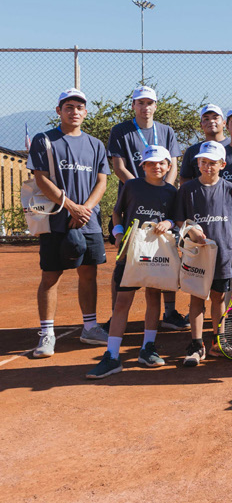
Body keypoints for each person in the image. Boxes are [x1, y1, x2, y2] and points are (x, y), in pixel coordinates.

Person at [30, 88, 110, 358]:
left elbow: (102, 181)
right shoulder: (44, 140)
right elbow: (41, 178)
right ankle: (47, 333)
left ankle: (90, 328)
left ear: (85, 112)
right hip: (56, 221)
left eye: (79, 107)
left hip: (88, 221)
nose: (74, 111)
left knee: (88, 273)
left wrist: (84, 210)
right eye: (68, 107)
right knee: (50, 276)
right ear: (59, 111)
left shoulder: (96, 144)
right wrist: (71, 207)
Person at [86, 145, 177, 378]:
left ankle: (148, 348)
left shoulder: (172, 191)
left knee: (153, 296)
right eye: (151, 163)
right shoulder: (132, 186)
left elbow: (176, 218)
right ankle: (112, 355)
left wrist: (168, 223)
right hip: (130, 251)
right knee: (122, 302)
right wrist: (118, 234)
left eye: (161, 163)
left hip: (156, 252)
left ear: (168, 166)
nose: (156, 167)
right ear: (142, 166)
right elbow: (117, 213)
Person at [107, 85, 185, 331]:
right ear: (133, 105)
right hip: (134, 203)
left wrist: (163, 189)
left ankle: (169, 313)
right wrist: (141, 188)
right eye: (140, 102)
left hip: (163, 202)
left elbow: (173, 164)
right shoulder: (120, 130)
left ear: (155, 105)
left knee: (165, 258)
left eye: (149, 102)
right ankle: (116, 315)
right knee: (124, 260)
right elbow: (118, 166)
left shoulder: (166, 131)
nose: (145, 107)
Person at [173, 140, 232, 368]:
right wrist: (191, 229)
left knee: (219, 298)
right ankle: (196, 345)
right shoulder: (187, 189)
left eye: (212, 162)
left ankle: (218, 343)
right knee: (197, 297)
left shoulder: (230, 189)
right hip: (197, 255)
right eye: (203, 162)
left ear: (222, 164)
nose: (207, 166)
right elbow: (180, 220)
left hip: (223, 253)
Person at [179, 104, 226, 182]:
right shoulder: (192, 151)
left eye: (215, 118)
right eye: (206, 119)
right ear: (201, 125)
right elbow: (185, 178)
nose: (211, 121)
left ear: (224, 123)